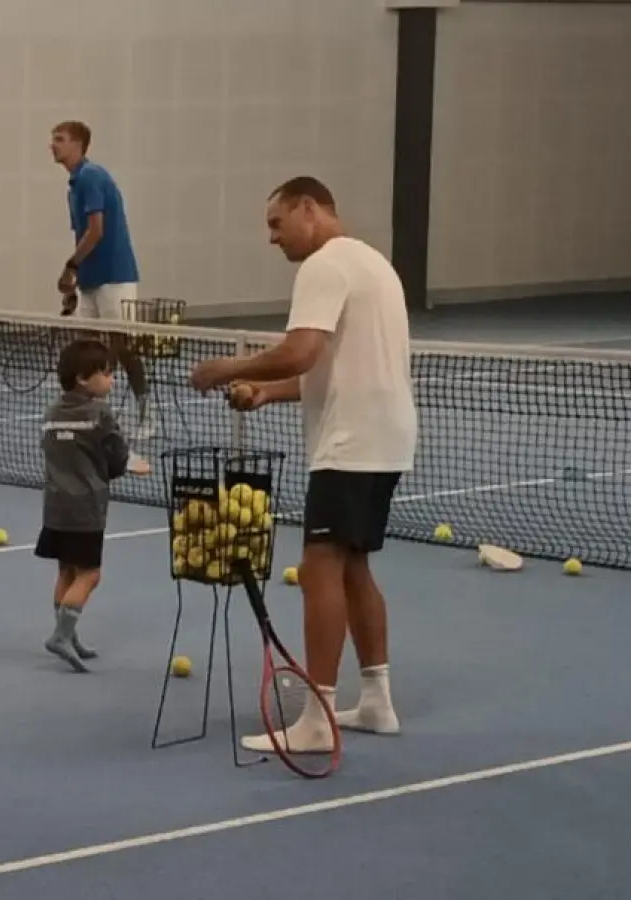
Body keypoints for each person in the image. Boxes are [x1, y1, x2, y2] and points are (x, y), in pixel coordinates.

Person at [189, 176, 416, 754]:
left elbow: (300, 351)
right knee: (353, 566)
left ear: (308, 208)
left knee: (319, 569)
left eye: (276, 223)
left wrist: (225, 368)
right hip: (386, 438)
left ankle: (317, 717)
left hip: (349, 442)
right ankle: (377, 702)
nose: (273, 238)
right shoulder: (374, 264)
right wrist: (268, 393)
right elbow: (329, 368)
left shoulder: (323, 265)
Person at [36, 338, 151, 672]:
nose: (112, 379)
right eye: (106, 373)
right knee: (90, 574)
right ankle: (61, 635)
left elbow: (56, 450)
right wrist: (132, 465)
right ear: (83, 378)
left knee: (66, 571)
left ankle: (68, 635)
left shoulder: (51, 412)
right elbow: (116, 456)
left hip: (55, 506)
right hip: (86, 509)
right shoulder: (100, 414)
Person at [49, 120, 155, 440]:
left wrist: (70, 266)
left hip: (115, 276)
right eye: (53, 139)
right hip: (90, 280)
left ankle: (146, 416)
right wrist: (77, 279)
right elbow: (82, 235)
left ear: (78, 144)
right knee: (87, 348)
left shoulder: (92, 177)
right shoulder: (73, 185)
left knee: (122, 346)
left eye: (59, 139)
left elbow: (97, 231)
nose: (52, 145)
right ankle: (91, 413)